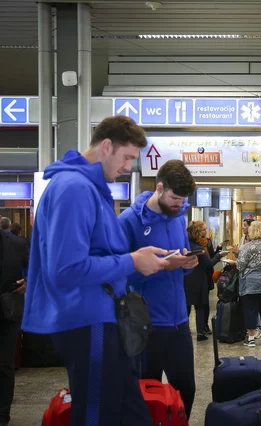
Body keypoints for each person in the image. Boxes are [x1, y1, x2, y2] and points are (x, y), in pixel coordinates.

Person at [21, 115, 169, 426]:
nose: (128, 167)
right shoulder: (74, 189)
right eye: (127, 157)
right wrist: (131, 261)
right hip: (89, 322)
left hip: (102, 318)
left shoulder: (90, 188)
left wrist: (137, 259)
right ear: (106, 146)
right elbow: (65, 269)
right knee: (98, 415)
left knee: (129, 413)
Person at [118, 159, 199, 419]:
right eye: (175, 198)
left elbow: (180, 258)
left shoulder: (177, 217)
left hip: (179, 322)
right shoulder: (129, 221)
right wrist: (163, 266)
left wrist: (187, 263)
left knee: (186, 390)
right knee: (145, 394)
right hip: (145, 324)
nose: (179, 204)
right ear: (160, 188)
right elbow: (116, 271)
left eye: (184, 200)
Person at [0, 228, 29, 426]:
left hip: (6, 312)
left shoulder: (17, 244)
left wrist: (29, 281)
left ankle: (2, 416)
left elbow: (38, 268)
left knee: (3, 365)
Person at [184, 220, 225, 341]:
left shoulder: (184, 246)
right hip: (199, 280)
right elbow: (209, 263)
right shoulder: (199, 248)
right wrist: (219, 255)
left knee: (186, 306)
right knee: (200, 306)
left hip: (185, 279)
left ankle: (184, 330)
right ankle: (200, 332)